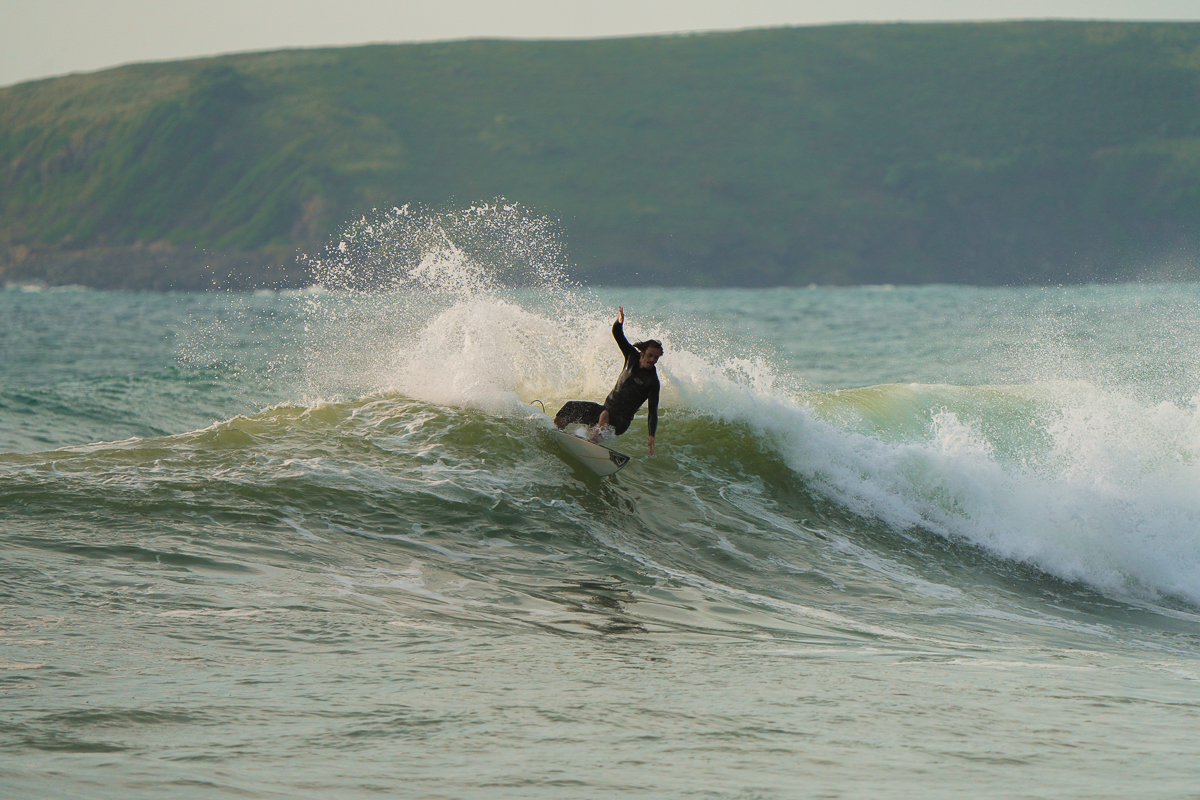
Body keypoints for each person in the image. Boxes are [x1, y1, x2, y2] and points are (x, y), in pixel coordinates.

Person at [554, 306, 661, 455]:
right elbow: (617, 334)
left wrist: (651, 435)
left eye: (656, 357)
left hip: (621, 421)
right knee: (569, 407)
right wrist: (619, 322)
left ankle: (590, 448)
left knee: (604, 415)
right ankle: (556, 434)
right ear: (642, 352)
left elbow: (653, 410)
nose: (653, 360)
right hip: (605, 409)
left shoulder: (652, 381)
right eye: (650, 355)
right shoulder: (631, 356)